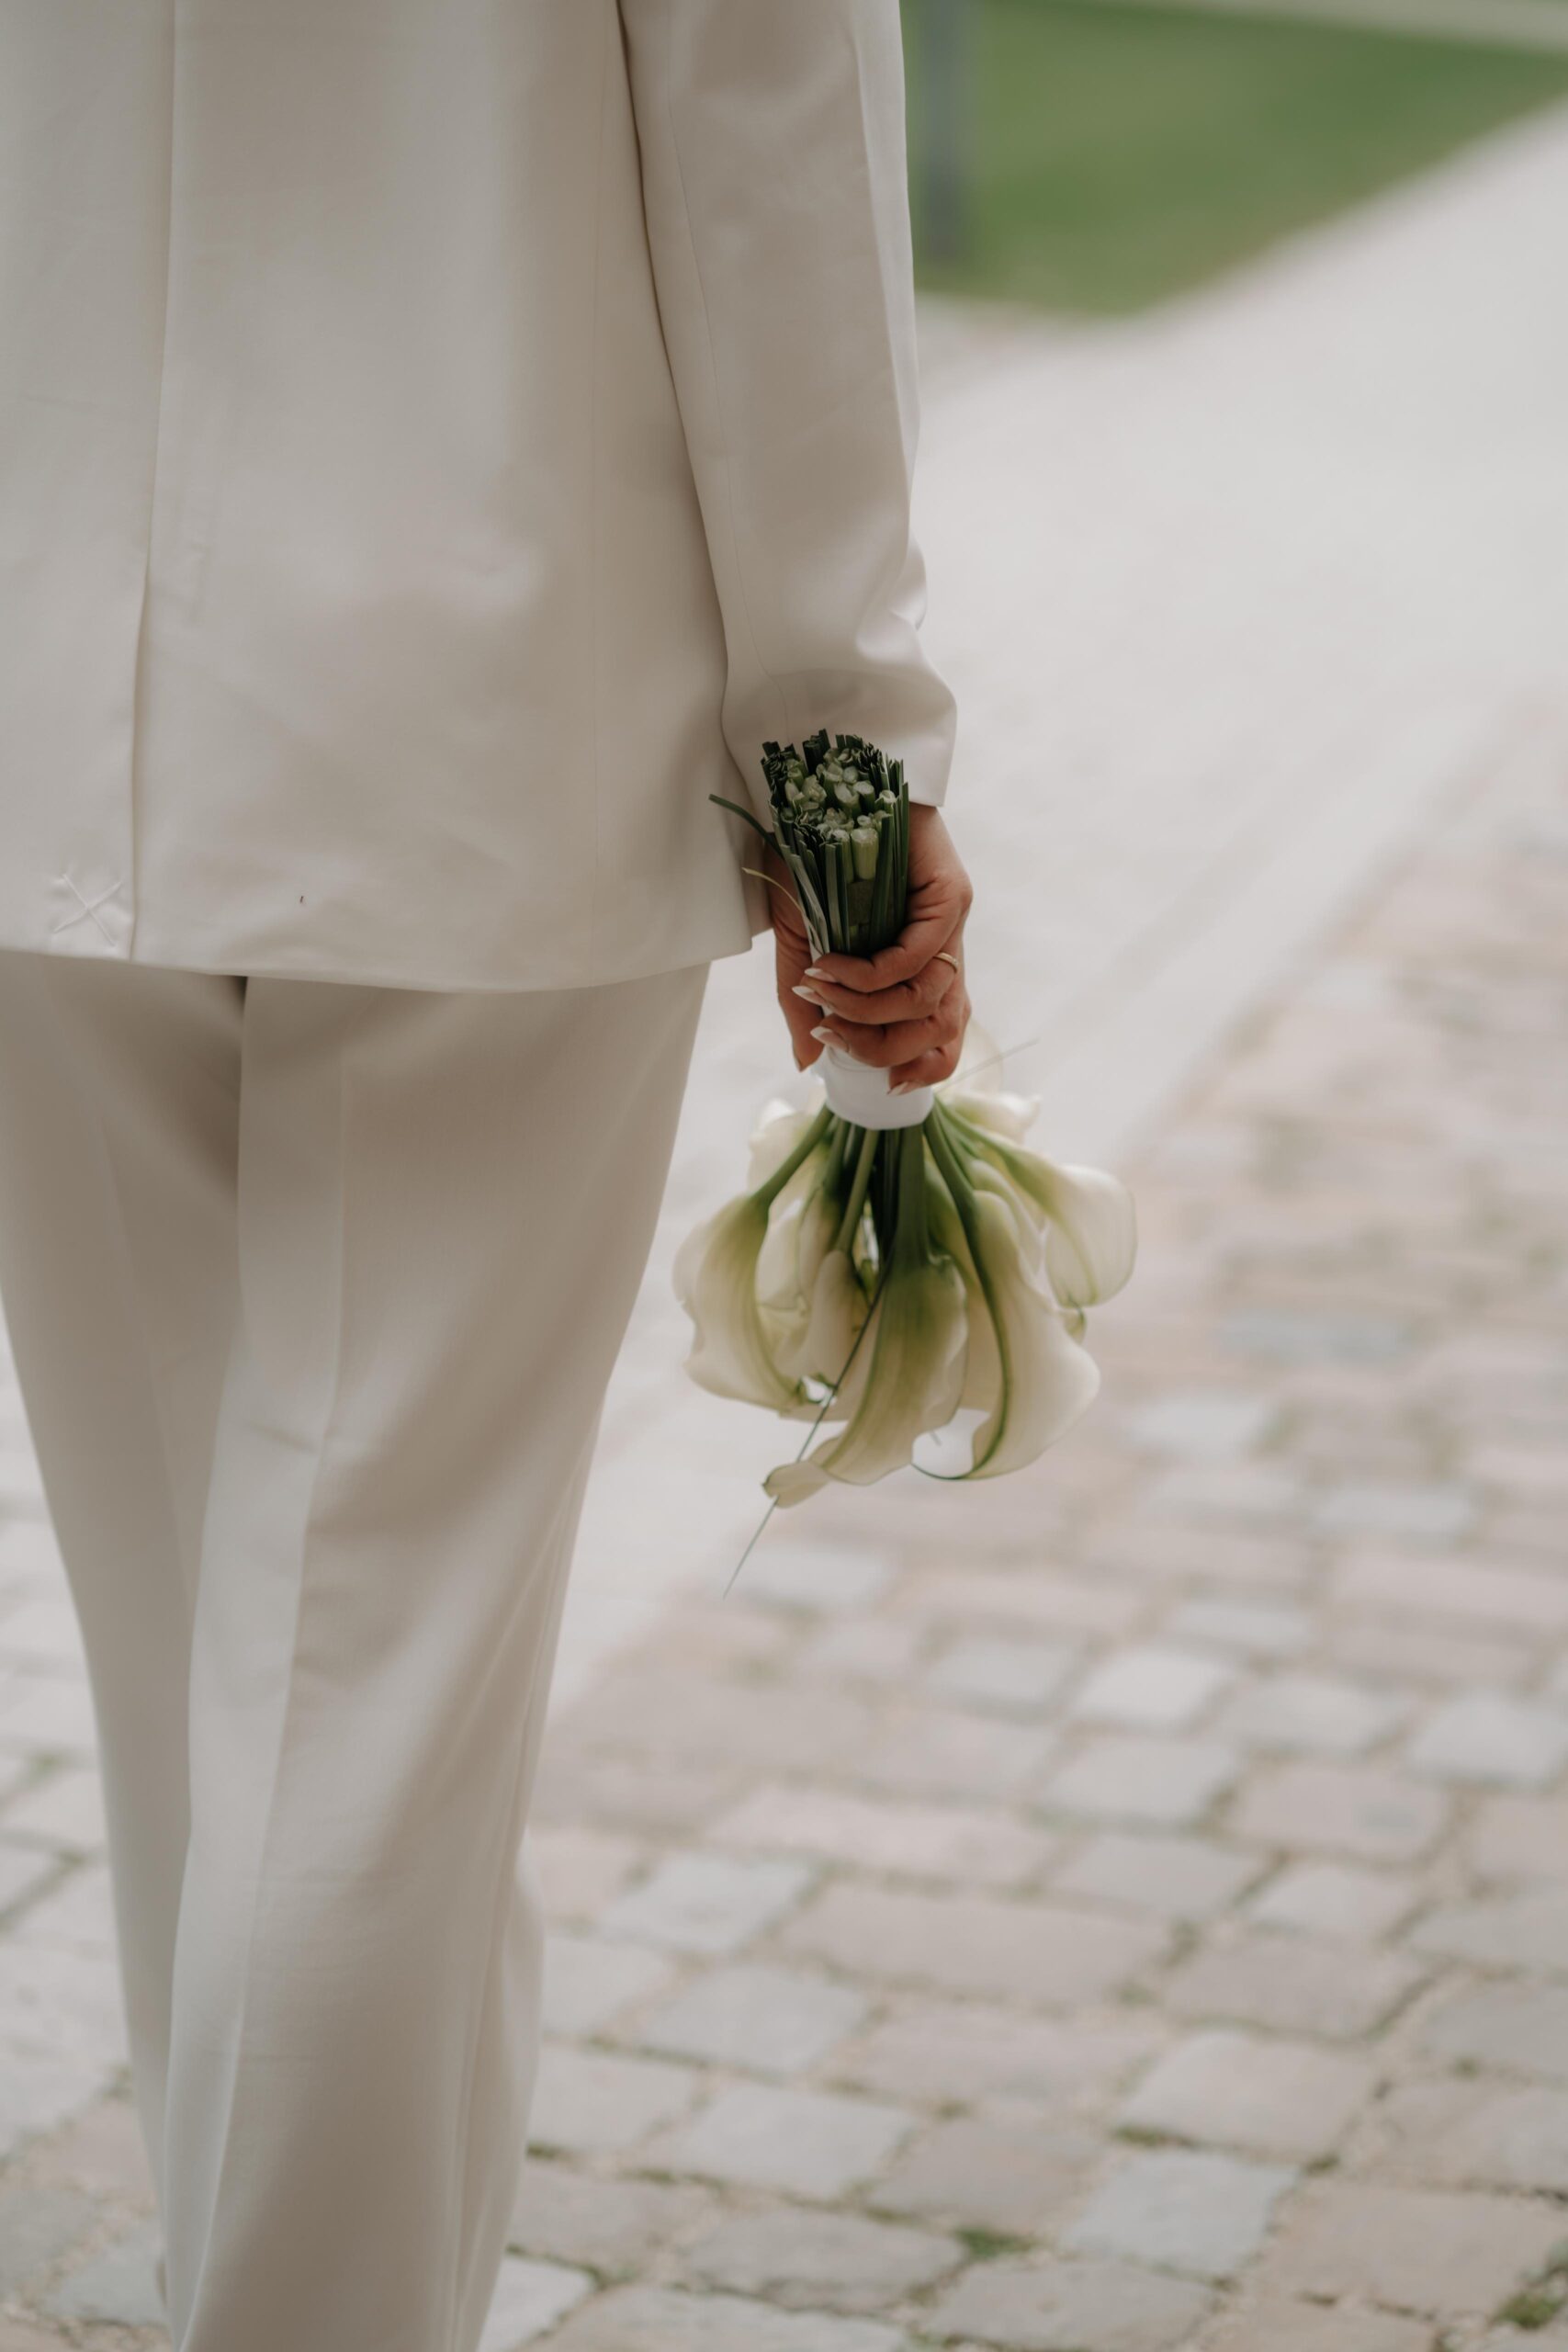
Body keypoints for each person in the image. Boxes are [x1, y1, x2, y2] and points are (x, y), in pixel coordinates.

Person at [0, 6, 970, 2346]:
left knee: (210, 1682)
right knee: (369, 1686)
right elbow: (766, 151)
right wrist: (843, 751)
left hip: (32, 689)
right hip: (481, 713)